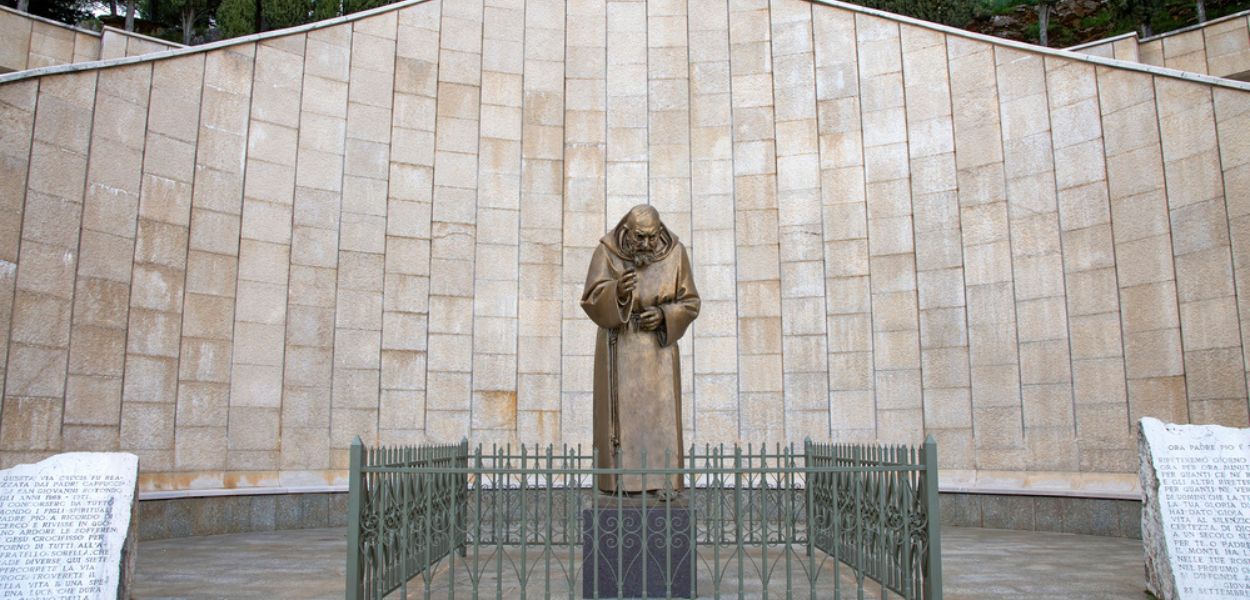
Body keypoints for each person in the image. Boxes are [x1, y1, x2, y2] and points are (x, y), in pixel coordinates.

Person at [580, 204, 700, 494]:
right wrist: (618, 291)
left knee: (661, 415)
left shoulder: (676, 254)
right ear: (626, 232)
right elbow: (590, 298)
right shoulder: (607, 252)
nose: (646, 244)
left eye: (651, 237)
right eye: (639, 237)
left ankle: (663, 482)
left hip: (658, 348)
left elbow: (691, 302)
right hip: (619, 345)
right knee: (621, 421)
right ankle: (620, 482)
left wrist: (663, 316)